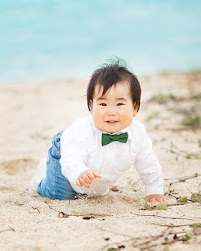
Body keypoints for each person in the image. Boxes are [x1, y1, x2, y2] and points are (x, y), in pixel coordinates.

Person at [29, 59, 168, 203]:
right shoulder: (81, 131)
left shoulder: (137, 133)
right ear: (91, 106)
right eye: (103, 104)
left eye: (120, 104)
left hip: (96, 171)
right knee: (61, 195)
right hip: (66, 153)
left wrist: (154, 190)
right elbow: (72, 158)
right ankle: (41, 177)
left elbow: (149, 164)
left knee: (97, 192)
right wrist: (80, 172)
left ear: (134, 107)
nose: (111, 112)